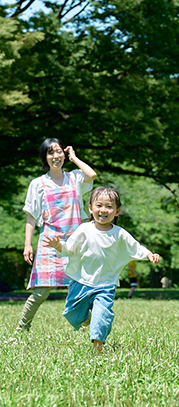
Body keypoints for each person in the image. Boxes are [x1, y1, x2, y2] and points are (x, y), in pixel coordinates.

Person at [44, 187, 160, 353]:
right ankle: (87, 320)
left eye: (109, 206)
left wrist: (149, 254)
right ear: (90, 208)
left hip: (106, 283)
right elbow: (70, 248)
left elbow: (135, 247)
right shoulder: (84, 229)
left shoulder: (119, 233)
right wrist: (58, 245)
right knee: (71, 312)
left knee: (102, 315)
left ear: (117, 211)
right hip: (81, 280)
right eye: (99, 205)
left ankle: (98, 349)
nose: (103, 210)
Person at [16, 138, 97, 332]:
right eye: (51, 153)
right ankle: (22, 328)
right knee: (41, 292)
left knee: (79, 287)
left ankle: (83, 325)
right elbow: (31, 216)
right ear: (45, 157)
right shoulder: (38, 184)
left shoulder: (75, 177)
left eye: (59, 152)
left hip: (74, 241)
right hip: (49, 241)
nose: (56, 156)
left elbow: (91, 174)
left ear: (64, 154)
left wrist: (75, 157)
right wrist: (27, 244)